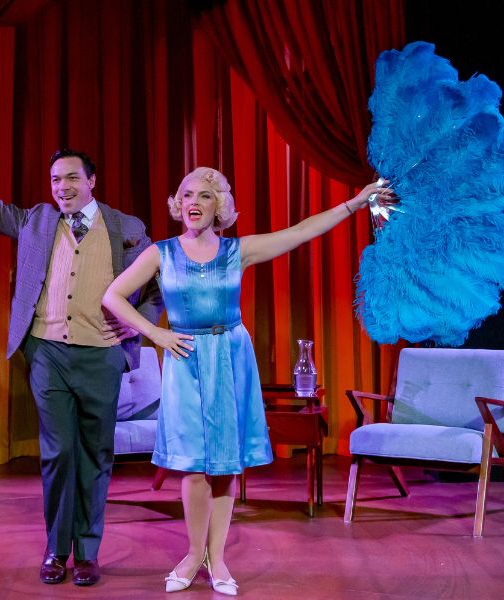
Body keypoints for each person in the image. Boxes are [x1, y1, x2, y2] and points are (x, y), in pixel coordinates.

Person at [102, 167, 394, 596]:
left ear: (218, 205)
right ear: (178, 204)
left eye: (204, 195)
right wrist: (158, 334)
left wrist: (353, 204)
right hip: (185, 360)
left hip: (231, 358)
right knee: (193, 467)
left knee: (224, 465)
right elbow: (112, 296)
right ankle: (191, 553)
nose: (194, 202)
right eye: (186, 194)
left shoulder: (237, 251)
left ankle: (216, 559)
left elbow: (301, 231)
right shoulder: (160, 253)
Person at [0, 149, 163, 587]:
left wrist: (136, 330)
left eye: (71, 179)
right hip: (48, 354)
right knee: (59, 452)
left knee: (95, 455)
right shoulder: (37, 222)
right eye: (56, 180)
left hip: (101, 356)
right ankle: (56, 550)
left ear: (92, 181)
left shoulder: (126, 228)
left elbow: (157, 288)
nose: (63, 187)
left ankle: (87, 552)